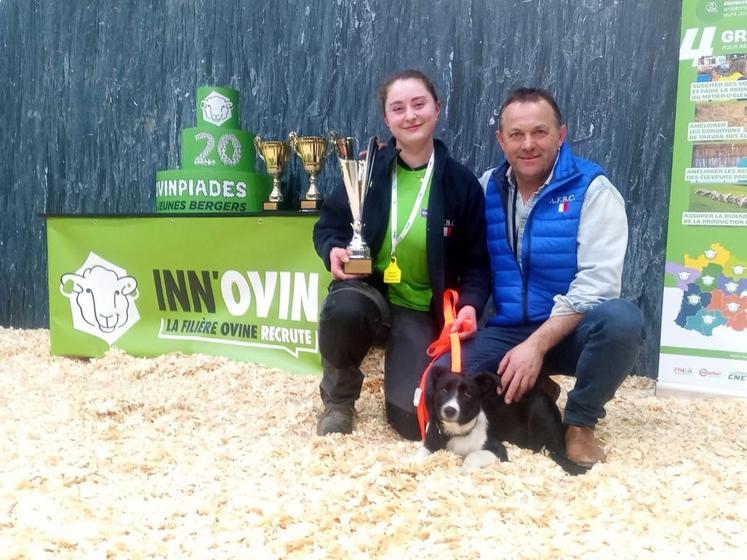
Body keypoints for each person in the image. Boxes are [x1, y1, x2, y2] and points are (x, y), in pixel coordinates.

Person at [460, 87, 644, 468]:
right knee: (453, 375)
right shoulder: (485, 187)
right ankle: (536, 390)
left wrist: (536, 346)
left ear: (561, 134)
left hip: (572, 330)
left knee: (623, 321)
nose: (528, 144)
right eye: (516, 134)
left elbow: (598, 284)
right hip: (510, 328)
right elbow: (469, 261)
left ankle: (580, 423)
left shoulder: (593, 190)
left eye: (540, 132)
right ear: (501, 139)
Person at [312, 69, 491, 440]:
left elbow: (476, 262)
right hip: (369, 295)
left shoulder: (461, 184)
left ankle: (398, 384)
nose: (409, 115)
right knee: (342, 309)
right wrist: (332, 249)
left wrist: (471, 304)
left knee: (411, 422)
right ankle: (339, 401)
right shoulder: (367, 172)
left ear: (436, 109)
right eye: (398, 108)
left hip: (418, 309)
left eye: (418, 104)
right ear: (387, 119)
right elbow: (328, 226)